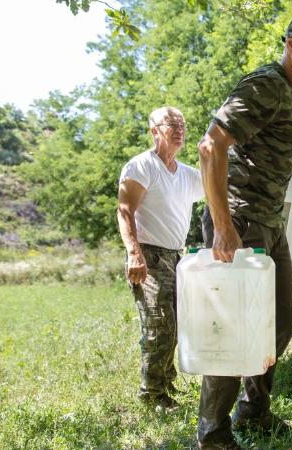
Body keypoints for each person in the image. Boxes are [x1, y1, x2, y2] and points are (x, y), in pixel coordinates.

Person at [195, 12, 292, 449]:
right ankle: (213, 433)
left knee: (278, 323)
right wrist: (224, 227)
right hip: (240, 223)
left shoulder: (288, 92)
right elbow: (211, 147)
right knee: (235, 328)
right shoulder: (266, 84)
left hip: (269, 222)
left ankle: (255, 412)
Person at [117, 106, 204, 412]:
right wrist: (134, 254)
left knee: (178, 324)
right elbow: (124, 211)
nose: (179, 128)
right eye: (172, 123)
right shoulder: (141, 166)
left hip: (176, 258)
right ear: (155, 130)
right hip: (148, 255)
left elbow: (220, 187)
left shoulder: (186, 174)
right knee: (159, 325)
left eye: (182, 123)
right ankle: (151, 394)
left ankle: (165, 383)